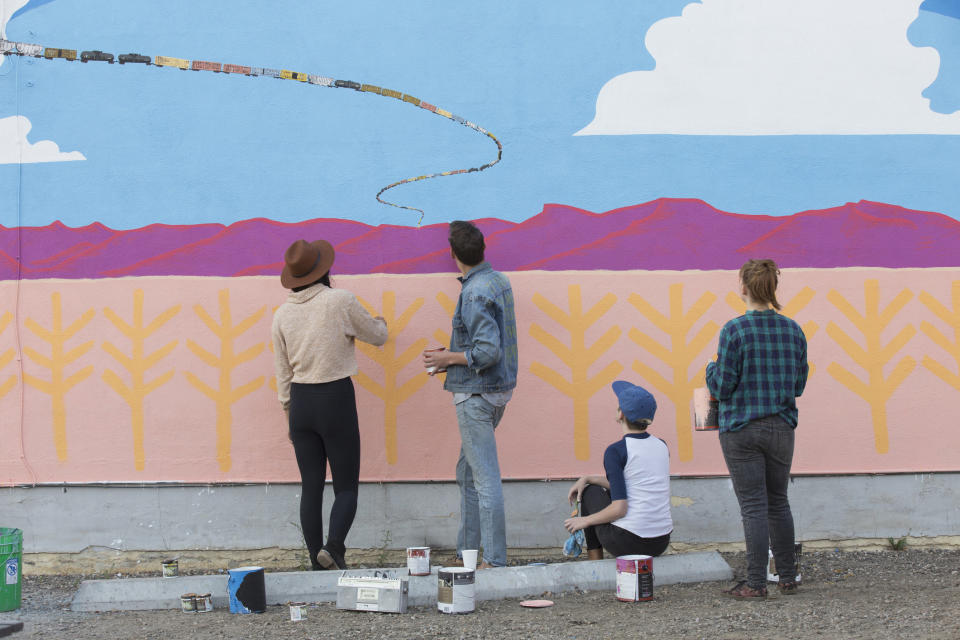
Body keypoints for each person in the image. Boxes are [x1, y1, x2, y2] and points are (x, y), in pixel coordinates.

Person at [272, 239, 388, 570]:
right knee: (346, 486)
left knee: (311, 487)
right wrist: (379, 322)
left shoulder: (281, 315)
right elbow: (378, 335)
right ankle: (334, 548)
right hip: (335, 397)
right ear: (324, 270)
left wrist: (287, 416)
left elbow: (282, 374)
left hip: (300, 403)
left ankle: (315, 562)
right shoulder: (339, 301)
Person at [706, 258, 808, 598]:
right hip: (781, 427)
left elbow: (721, 387)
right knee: (778, 501)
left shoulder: (734, 330)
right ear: (773, 289)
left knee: (753, 505)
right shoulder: (793, 329)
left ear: (744, 287)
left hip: (742, 429)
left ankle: (755, 583)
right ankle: (789, 577)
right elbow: (799, 385)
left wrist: (710, 369)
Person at [422, 221, 518, 569]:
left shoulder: (475, 292)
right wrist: (451, 363)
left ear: (453, 255)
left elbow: (487, 351)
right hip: (494, 392)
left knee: (484, 479)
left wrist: (447, 357)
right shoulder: (498, 281)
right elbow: (489, 348)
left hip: (476, 397)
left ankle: (492, 560)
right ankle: (468, 554)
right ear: (482, 249)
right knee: (467, 472)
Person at [563, 381, 673, 559]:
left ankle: (595, 564)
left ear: (620, 414)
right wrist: (588, 478)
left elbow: (620, 509)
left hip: (628, 543)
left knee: (591, 493)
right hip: (660, 542)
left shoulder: (616, 451)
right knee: (591, 485)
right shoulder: (662, 446)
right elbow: (634, 484)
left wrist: (584, 521)